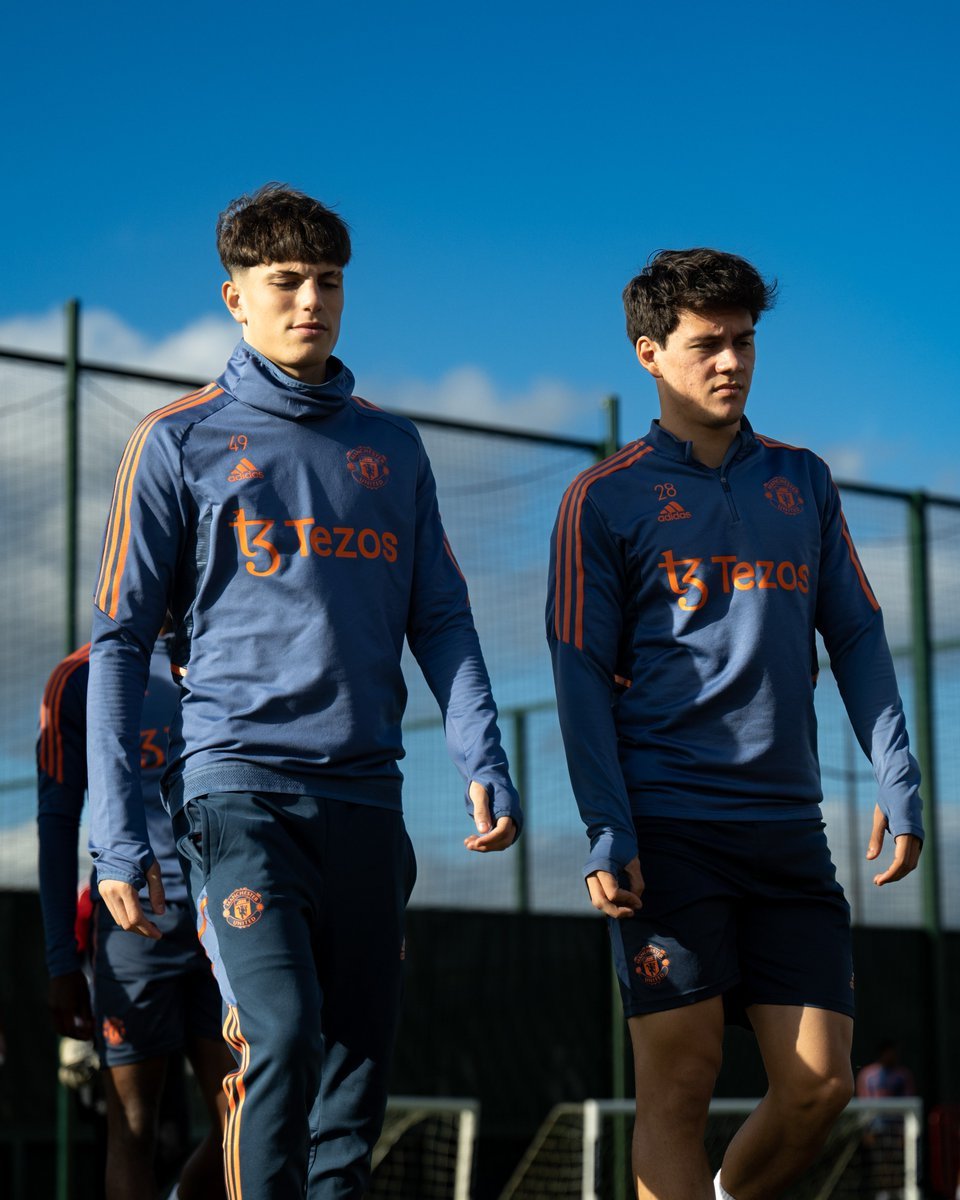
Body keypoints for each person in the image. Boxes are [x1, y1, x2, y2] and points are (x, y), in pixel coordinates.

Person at [86, 183, 522, 1199]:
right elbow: (118, 643)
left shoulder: (395, 449)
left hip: (369, 803)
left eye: (327, 282)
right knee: (278, 1038)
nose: (309, 302)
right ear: (234, 296)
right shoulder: (176, 440)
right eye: (283, 283)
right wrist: (117, 833)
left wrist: (482, 754)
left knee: (355, 1081)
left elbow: (444, 619)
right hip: (238, 798)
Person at [546, 248, 923, 1200]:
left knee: (820, 1089)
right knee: (680, 1083)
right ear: (649, 353)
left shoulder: (803, 480)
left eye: (744, 341)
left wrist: (899, 778)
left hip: (789, 835)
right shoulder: (605, 496)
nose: (731, 363)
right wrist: (606, 827)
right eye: (706, 344)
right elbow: (579, 673)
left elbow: (861, 637)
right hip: (669, 833)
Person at [37, 638, 231, 1200]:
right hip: (133, 936)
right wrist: (61, 961)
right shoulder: (77, 678)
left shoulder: (225, 653)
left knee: (249, 1117)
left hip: (228, 921)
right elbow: (55, 826)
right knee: (133, 1129)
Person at [856, 1040, 916, 1200]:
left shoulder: (903, 1076)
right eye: (890, 1052)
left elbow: (908, 1103)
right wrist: (867, 1129)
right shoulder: (868, 1075)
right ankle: (882, 1195)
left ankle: (898, 1194)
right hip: (877, 1130)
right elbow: (864, 1103)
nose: (893, 1056)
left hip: (897, 1130)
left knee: (899, 1165)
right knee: (881, 1165)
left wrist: (905, 1132)